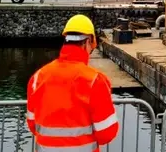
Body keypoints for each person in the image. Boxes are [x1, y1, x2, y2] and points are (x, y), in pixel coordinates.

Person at [26, 15, 119, 151]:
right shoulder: (95, 81)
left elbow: (32, 124)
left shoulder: (38, 77)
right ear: (88, 42)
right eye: (91, 48)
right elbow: (107, 133)